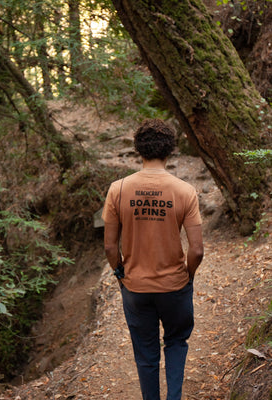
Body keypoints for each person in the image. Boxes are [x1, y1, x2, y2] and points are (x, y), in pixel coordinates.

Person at [102, 119, 203, 400]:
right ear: (170, 150)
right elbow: (197, 250)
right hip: (175, 287)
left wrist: (121, 273)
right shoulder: (185, 191)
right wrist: (188, 275)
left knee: (146, 354)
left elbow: (110, 247)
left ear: (139, 150)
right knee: (175, 342)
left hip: (135, 288)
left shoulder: (118, 189)